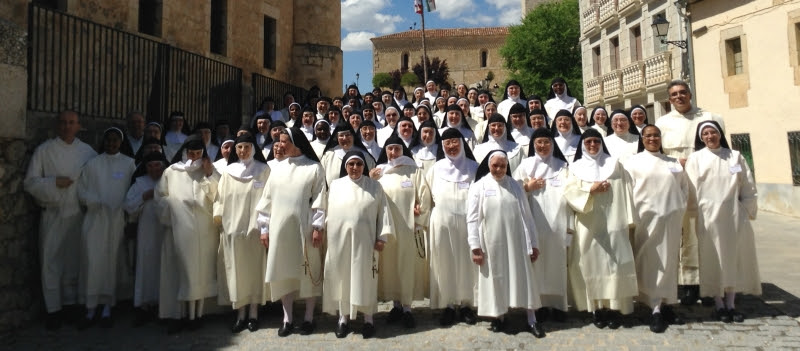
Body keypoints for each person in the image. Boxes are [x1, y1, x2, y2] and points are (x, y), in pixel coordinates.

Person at [24, 110, 97, 329]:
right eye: (63, 122)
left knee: (74, 260)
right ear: (58, 126)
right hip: (53, 213)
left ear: (78, 126)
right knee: (51, 260)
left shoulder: (88, 153)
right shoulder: (44, 150)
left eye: (71, 123)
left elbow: (95, 179)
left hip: (77, 214)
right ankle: (53, 309)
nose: (67, 126)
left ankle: (71, 305)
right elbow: (30, 183)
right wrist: (54, 183)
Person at [655, 80, 725, 305]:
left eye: (682, 93)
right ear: (669, 99)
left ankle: (709, 283)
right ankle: (686, 283)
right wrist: (677, 162)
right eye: (674, 94)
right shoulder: (663, 123)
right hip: (675, 181)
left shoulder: (709, 118)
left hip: (705, 182)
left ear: (690, 94)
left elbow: (720, 149)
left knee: (703, 230)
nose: (679, 97)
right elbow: (658, 153)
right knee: (680, 232)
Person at [685, 121, 759, 323]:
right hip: (708, 216)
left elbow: (747, 184)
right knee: (713, 259)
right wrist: (694, 213)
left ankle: (731, 303)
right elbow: (691, 189)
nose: (710, 136)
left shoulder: (735, 156)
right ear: (701, 138)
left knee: (733, 258)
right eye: (706, 133)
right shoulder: (696, 158)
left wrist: (746, 209)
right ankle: (718, 303)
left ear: (720, 134)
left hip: (734, 215)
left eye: (713, 132)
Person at [467, 151, 545, 337]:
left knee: (524, 279)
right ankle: (499, 316)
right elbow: (472, 219)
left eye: (502, 166)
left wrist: (533, 243)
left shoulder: (516, 186)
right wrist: (475, 246)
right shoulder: (479, 186)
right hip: (491, 243)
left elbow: (527, 217)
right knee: (496, 279)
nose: (499, 169)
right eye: (495, 165)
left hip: (517, 242)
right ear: (488, 165)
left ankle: (531, 319)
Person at [564, 129, 637, 330]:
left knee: (615, 265)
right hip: (588, 225)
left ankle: (614, 308)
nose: (593, 145)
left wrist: (628, 219)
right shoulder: (576, 167)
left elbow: (627, 189)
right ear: (583, 145)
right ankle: (597, 309)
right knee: (590, 265)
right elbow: (569, 192)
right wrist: (590, 190)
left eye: (596, 141)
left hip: (614, 221)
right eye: (588, 142)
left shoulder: (614, 164)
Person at [257, 128, 325, 336]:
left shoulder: (314, 168)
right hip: (279, 230)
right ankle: (287, 318)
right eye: (278, 141)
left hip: (303, 228)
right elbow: (266, 200)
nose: (279, 145)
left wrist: (317, 227)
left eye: (284, 141)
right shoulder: (276, 168)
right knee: (283, 272)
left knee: (308, 271)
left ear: (296, 144)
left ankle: (308, 317)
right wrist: (264, 228)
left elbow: (320, 201)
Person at [322, 151, 394, 339]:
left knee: (365, 280)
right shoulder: (336, 185)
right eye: (351, 164)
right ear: (345, 166)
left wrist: (382, 238)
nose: (355, 168)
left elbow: (383, 213)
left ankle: (368, 320)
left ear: (364, 166)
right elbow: (327, 211)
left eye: (358, 164)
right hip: (340, 243)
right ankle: (343, 319)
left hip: (366, 242)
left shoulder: (375, 186)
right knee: (343, 279)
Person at [623, 125, 688, 333]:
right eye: (648, 135)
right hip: (646, 221)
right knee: (651, 262)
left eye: (656, 135)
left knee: (670, 262)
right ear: (642, 138)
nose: (652, 139)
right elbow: (627, 192)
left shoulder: (674, 163)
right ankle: (654, 307)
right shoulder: (632, 163)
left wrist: (679, 210)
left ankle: (667, 302)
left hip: (671, 220)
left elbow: (683, 188)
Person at [156, 134, 219, 333]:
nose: (193, 157)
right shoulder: (172, 171)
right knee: (180, 273)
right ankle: (179, 314)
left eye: (198, 153)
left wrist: (209, 175)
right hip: (179, 229)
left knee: (201, 272)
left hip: (204, 230)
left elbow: (217, 195)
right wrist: (175, 207)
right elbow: (160, 197)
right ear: (184, 152)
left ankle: (198, 314)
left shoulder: (208, 169)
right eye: (190, 153)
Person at [75, 127, 136, 328]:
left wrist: (126, 210)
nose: (112, 143)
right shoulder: (92, 164)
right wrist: (97, 202)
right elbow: (82, 191)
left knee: (112, 262)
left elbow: (133, 191)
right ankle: (90, 307)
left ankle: (108, 307)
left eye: (115, 140)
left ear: (121, 142)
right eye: (108, 140)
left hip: (117, 221)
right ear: (104, 141)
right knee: (92, 261)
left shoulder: (129, 164)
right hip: (95, 220)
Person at [369, 136, 431, 329]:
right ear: (385, 151)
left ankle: (407, 308)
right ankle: (395, 305)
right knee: (390, 266)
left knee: (406, 266)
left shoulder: (413, 170)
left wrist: (419, 217)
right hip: (387, 228)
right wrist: (371, 179)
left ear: (402, 149)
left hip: (407, 227)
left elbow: (424, 196)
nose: (393, 152)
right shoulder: (380, 172)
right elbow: (371, 196)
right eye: (390, 149)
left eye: (396, 148)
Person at [512, 128, 571, 323]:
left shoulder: (563, 166)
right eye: (539, 142)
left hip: (559, 223)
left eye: (546, 142)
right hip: (535, 222)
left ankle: (559, 305)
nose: (543, 146)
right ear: (533, 145)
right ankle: (539, 305)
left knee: (558, 265)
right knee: (537, 265)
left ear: (552, 144)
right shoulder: (525, 166)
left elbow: (572, 193)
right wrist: (527, 188)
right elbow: (512, 190)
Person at [214, 134, 270, 334]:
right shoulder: (228, 172)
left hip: (255, 230)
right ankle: (240, 313)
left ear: (253, 148)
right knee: (236, 271)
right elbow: (219, 199)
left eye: (247, 147)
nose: (243, 151)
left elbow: (268, 199)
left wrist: (265, 226)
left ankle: (254, 313)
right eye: (239, 148)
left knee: (254, 271)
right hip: (233, 230)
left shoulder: (263, 170)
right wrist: (221, 222)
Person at [427, 129, 479, 326]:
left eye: (455, 142)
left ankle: (466, 304)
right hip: (443, 222)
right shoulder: (435, 168)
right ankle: (448, 304)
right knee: (445, 262)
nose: (451, 146)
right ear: (443, 146)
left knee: (467, 264)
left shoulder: (473, 167)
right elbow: (427, 197)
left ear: (462, 143)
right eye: (447, 143)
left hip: (468, 223)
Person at [124, 151, 168, 327]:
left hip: (165, 231)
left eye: (157, 165)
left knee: (163, 266)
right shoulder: (140, 183)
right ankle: (144, 306)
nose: (154, 169)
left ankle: (162, 306)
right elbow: (127, 205)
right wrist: (144, 197)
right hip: (147, 232)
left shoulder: (169, 180)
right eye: (150, 166)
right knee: (146, 267)